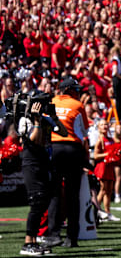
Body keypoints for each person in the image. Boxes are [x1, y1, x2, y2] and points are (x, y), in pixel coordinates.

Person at [16, 92, 68, 255]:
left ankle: (35, 240)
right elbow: (34, 140)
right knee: (36, 201)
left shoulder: (45, 119)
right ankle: (28, 243)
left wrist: (53, 117)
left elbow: (63, 132)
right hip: (32, 165)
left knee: (44, 201)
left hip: (44, 163)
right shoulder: (25, 120)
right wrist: (37, 121)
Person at [47, 77, 90, 248]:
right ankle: (72, 237)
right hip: (73, 149)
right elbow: (84, 131)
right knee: (73, 195)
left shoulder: (51, 101)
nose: (78, 92)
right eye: (76, 90)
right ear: (68, 90)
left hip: (54, 148)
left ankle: (53, 234)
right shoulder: (78, 105)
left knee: (55, 193)